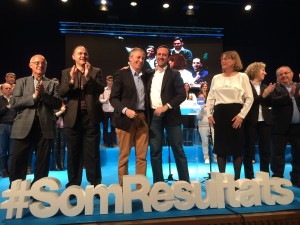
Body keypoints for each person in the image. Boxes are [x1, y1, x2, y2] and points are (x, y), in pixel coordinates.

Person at [9, 54, 61, 186]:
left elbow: (57, 103)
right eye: (37, 63)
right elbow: (14, 102)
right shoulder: (21, 81)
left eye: (43, 63)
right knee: (18, 160)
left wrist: (43, 95)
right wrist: (34, 96)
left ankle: (38, 192)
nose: (40, 65)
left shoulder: (52, 83)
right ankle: (16, 191)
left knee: (43, 162)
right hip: (23, 126)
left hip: (45, 127)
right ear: (30, 65)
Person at [60, 45, 104, 188]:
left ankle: (95, 184)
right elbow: (62, 93)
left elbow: (100, 89)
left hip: (91, 117)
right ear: (73, 57)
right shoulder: (66, 73)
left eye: (85, 53)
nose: (83, 56)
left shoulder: (96, 71)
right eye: (79, 53)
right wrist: (72, 81)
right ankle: (73, 184)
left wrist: (87, 77)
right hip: (73, 118)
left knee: (93, 153)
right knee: (73, 153)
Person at [206, 50, 253, 180]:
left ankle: (237, 180)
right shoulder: (216, 77)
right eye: (222, 59)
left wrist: (241, 116)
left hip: (235, 115)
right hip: (219, 115)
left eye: (226, 59)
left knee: (236, 148)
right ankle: (222, 180)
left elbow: (249, 98)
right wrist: (209, 114)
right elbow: (210, 97)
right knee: (221, 148)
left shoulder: (242, 76)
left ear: (234, 61)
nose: (223, 61)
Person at [147, 45, 190, 184]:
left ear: (168, 57)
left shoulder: (175, 74)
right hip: (154, 117)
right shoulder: (148, 74)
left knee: (178, 150)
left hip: (171, 116)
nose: (161, 56)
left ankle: (185, 184)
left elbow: (182, 94)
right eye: (159, 54)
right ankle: (158, 185)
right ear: (156, 56)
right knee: (155, 152)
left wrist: (166, 106)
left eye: (164, 55)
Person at [110, 47, 149, 189]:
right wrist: (126, 111)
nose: (140, 60)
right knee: (124, 156)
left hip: (142, 118)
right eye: (137, 57)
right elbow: (113, 99)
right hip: (125, 119)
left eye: (143, 58)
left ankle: (141, 189)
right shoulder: (121, 74)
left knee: (142, 156)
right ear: (130, 58)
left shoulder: (146, 76)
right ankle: (123, 189)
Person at [269, 66, 300, 187]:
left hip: (297, 127)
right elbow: (273, 101)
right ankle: (277, 180)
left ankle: (297, 179)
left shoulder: (298, 86)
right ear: (277, 78)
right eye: (280, 74)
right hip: (279, 127)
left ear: (292, 74)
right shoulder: (274, 88)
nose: (284, 75)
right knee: (277, 155)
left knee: (298, 153)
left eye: (286, 73)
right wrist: (290, 95)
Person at [243, 62, 274, 179]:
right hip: (250, 122)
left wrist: (268, 95)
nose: (265, 73)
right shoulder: (245, 86)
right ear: (255, 71)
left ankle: (264, 177)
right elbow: (249, 103)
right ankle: (249, 178)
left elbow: (270, 104)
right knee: (248, 151)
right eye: (263, 71)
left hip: (265, 123)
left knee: (265, 151)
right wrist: (264, 95)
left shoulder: (265, 86)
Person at [196, 82, 216, 164]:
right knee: (205, 142)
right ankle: (206, 158)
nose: (202, 99)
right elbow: (198, 117)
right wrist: (201, 109)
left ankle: (216, 157)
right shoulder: (197, 106)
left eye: (203, 97)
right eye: (200, 98)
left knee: (215, 142)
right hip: (202, 126)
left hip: (212, 125)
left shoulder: (210, 104)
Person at [0, 83, 16, 178]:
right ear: (2, 90)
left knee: (12, 151)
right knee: (2, 151)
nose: (9, 89)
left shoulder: (15, 99)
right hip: (2, 126)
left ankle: (10, 170)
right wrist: (6, 108)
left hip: (14, 126)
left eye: (10, 88)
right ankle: (4, 170)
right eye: (6, 88)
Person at [99, 75, 117, 148]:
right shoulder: (103, 90)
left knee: (113, 127)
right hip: (105, 110)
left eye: (111, 81)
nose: (110, 82)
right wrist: (106, 100)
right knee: (105, 127)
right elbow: (100, 99)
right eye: (109, 80)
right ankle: (105, 142)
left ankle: (113, 142)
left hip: (113, 110)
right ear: (106, 81)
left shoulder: (115, 90)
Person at [53, 100, 67, 171]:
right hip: (55, 127)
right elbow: (54, 115)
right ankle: (55, 164)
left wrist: (64, 110)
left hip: (63, 127)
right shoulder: (54, 104)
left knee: (62, 145)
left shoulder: (66, 105)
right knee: (55, 146)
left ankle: (62, 164)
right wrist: (61, 111)